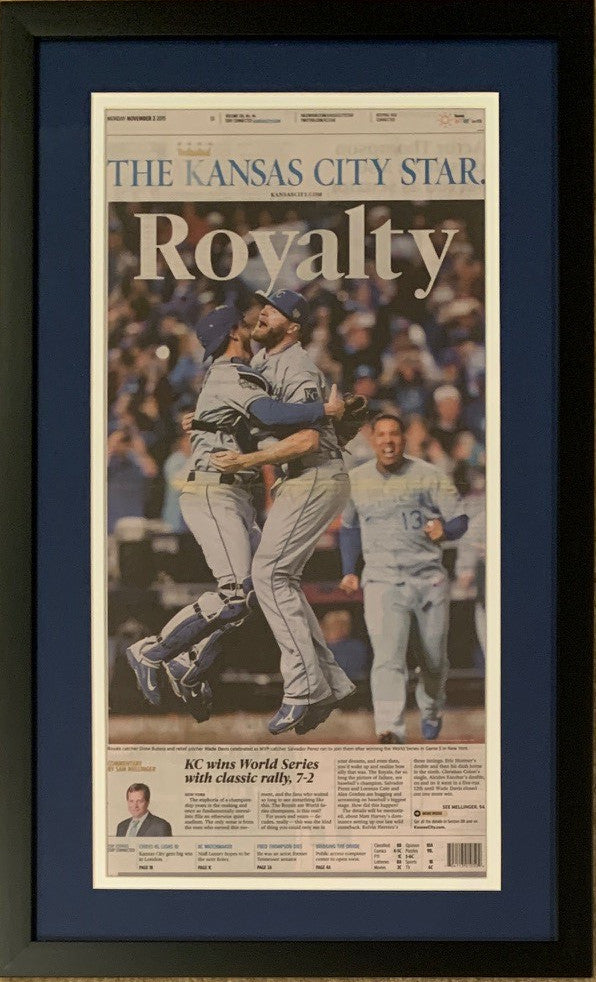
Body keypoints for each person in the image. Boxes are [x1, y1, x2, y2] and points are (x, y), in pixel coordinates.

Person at [127, 303, 346, 721]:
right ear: (232, 333)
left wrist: (206, 420)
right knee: (236, 594)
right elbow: (269, 413)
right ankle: (153, 652)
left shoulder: (238, 373)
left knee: (252, 596)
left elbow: (256, 423)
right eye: (242, 324)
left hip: (234, 494)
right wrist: (325, 411)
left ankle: (185, 665)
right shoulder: (233, 372)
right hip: (215, 491)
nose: (250, 326)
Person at [214, 290, 356, 736]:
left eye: (273, 311)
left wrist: (246, 462)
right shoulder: (262, 365)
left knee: (270, 574)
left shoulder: (296, 366)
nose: (263, 314)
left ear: (292, 327)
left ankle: (303, 690)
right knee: (281, 579)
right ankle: (329, 682)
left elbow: (309, 441)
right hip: (300, 478)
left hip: (315, 471)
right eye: (262, 308)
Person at [338, 413, 468, 743]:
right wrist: (349, 570)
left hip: (427, 580)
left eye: (394, 434)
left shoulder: (428, 475)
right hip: (382, 580)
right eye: (381, 435)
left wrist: (445, 530)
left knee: (434, 660)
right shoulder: (357, 478)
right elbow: (350, 527)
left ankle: (431, 708)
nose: (388, 441)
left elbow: (461, 518)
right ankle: (390, 729)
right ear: (373, 441)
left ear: (403, 440)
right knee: (387, 658)